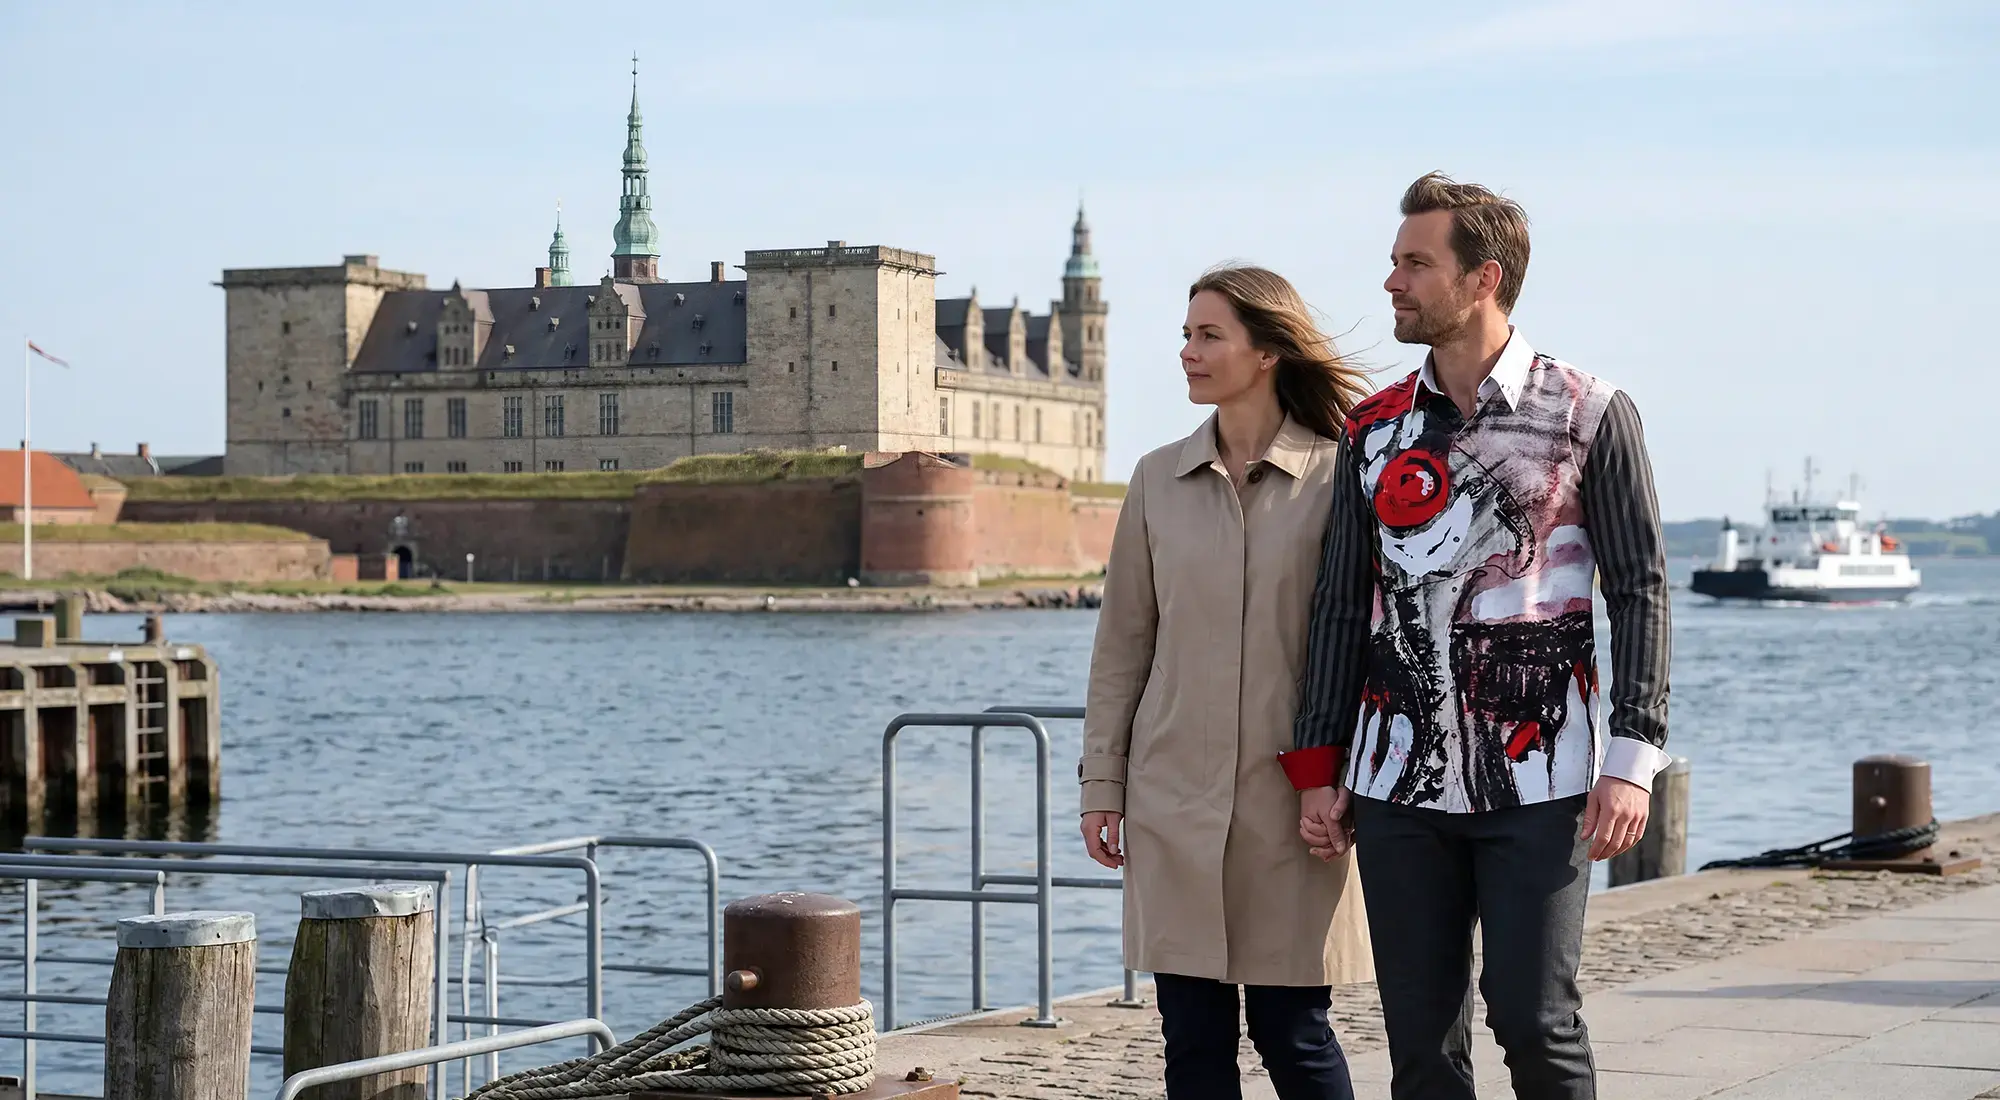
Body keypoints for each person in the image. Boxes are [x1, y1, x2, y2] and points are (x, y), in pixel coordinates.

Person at [1296, 172, 1673, 1100]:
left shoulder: (1591, 411)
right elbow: (1342, 605)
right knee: (1421, 1044)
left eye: (1415, 263)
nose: (1392, 282)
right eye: (1394, 262)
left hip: (1539, 780)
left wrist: (1634, 757)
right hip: (1394, 781)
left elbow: (1640, 590)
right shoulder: (1372, 429)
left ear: (1483, 278)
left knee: (1535, 1020)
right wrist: (1319, 765)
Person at [1078, 265, 1374, 1100]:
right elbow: (1122, 647)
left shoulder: (1341, 477)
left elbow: (1368, 649)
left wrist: (1346, 781)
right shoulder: (1155, 480)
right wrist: (1102, 787)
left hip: (1296, 803)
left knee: (1295, 1034)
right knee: (1192, 1041)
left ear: (1269, 350)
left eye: (1210, 335)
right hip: (1171, 800)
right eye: (1186, 334)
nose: (1188, 352)